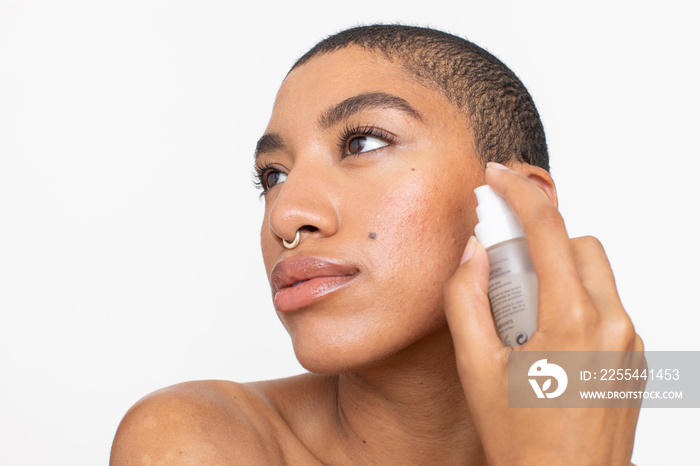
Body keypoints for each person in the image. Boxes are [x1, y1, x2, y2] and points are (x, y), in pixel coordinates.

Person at [110, 25, 643, 465]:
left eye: (362, 143)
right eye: (272, 175)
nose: (287, 216)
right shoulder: (197, 440)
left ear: (520, 201)